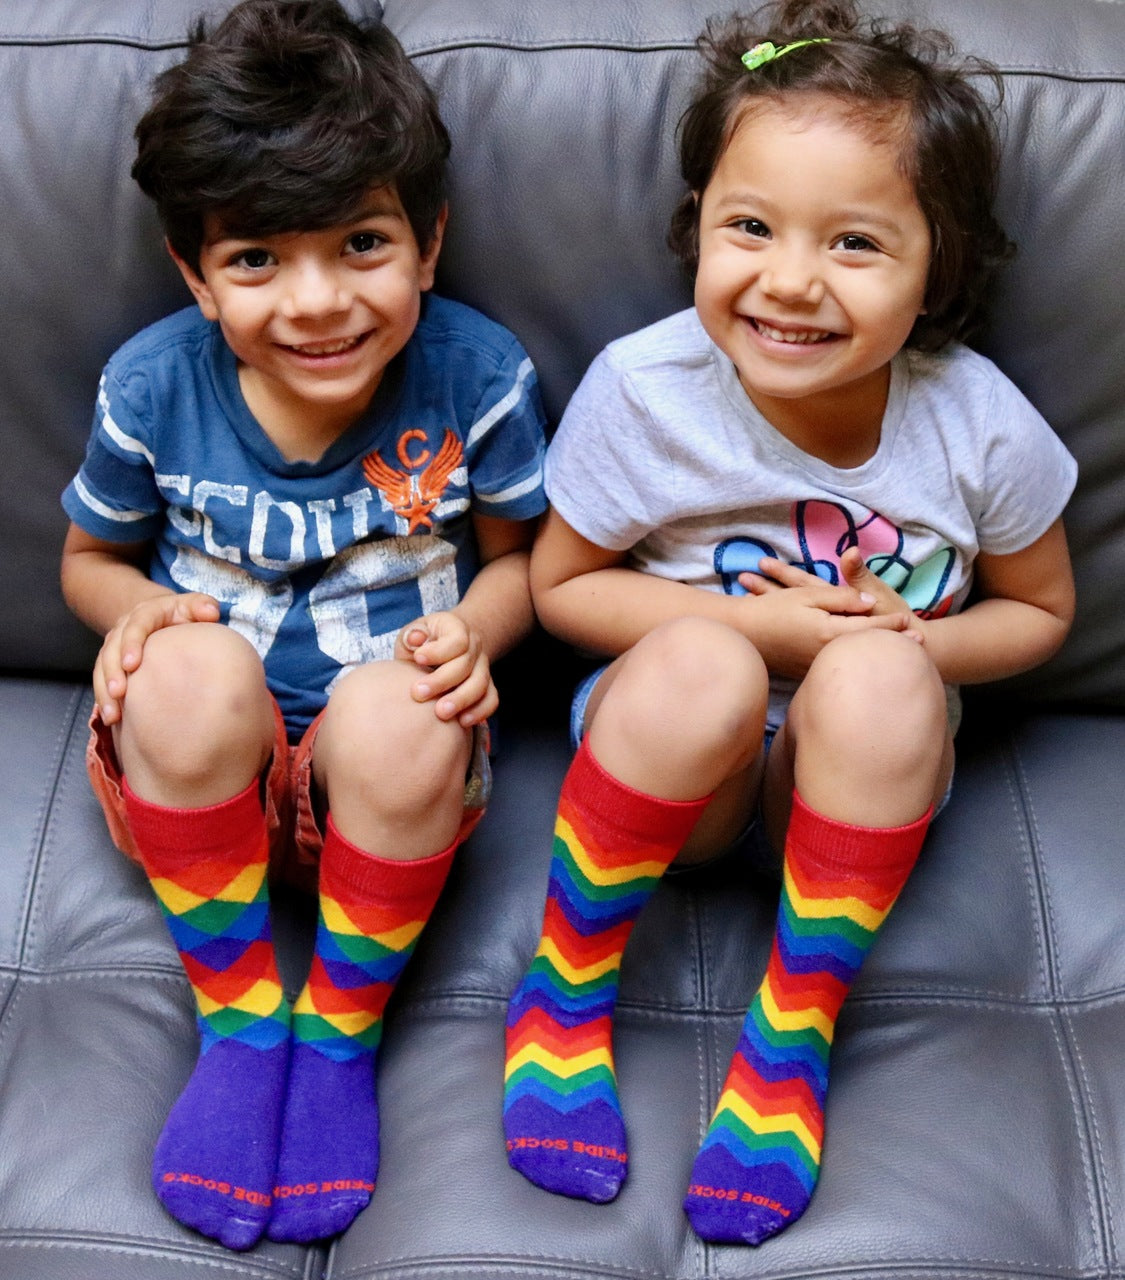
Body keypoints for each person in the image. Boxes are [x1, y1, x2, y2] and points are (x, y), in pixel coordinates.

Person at [501, 0, 1076, 1247]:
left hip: (853, 791)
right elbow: (559, 588)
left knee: (880, 680)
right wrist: (766, 634)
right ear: (696, 227)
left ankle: (792, 1032)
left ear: (939, 269)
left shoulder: (975, 422)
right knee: (703, 656)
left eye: (857, 242)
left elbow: (1041, 611)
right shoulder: (648, 391)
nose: (792, 281)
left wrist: (897, 641)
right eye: (748, 228)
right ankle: (563, 989)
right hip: (676, 782)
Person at [59, 0, 546, 1251]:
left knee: (396, 702)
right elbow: (87, 558)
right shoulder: (153, 386)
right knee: (188, 668)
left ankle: (338, 1032)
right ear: (195, 273)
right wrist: (135, 612)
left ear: (428, 244)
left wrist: (480, 635)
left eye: (362, 243)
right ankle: (239, 1015)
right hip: (195, 775)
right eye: (257, 260)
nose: (319, 303)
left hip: (391, 786)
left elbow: (519, 563)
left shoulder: (478, 379)